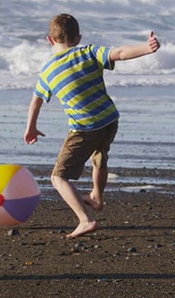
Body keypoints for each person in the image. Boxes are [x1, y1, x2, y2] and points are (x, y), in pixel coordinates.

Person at [24, 13, 160, 238]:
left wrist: (31, 127)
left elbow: (36, 101)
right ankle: (97, 196)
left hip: (84, 128)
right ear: (78, 38)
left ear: (50, 40)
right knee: (100, 156)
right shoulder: (89, 52)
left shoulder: (48, 71)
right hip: (108, 120)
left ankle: (85, 219)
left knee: (58, 177)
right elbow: (119, 53)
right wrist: (147, 48)